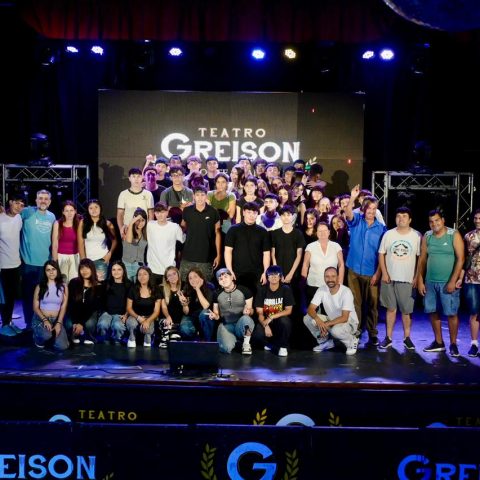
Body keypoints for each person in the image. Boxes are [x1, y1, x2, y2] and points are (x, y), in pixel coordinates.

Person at [417, 209, 464, 356]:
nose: (434, 224)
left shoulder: (453, 234)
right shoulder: (427, 236)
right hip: (430, 282)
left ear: (443, 220)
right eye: (431, 221)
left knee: (451, 313)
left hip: (447, 282)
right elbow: (422, 259)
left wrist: (453, 281)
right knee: (432, 311)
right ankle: (439, 342)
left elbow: (461, 259)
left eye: (437, 220)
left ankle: (453, 344)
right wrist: (420, 280)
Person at [345, 184, 386, 346]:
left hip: (372, 272)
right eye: (368, 208)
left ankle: (372, 334)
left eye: (374, 208)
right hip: (354, 270)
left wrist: (378, 273)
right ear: (363, 209)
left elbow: (382, 254)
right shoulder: (357, 221)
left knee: (373, 304)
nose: (371, 211)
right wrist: (352, 198)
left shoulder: (381, 229)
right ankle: (355, 332)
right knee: (355, 304)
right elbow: (348, 214)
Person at [378, 207, 421, 350]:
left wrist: (416, 277)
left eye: (404, 216)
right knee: (390, 309)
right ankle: (388, 338)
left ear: (410, 219)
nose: (401, 218)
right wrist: (384, 273)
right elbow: (381, 254)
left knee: (406, 311)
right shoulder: (388, 234)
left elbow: (420, 259)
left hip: (407, 279)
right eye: (398, 216)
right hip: (389, 278)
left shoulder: (416, 236)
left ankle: (407, 338)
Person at [20, 189, 56, 328]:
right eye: (40, 198)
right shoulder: (27, 212)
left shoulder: (52, 216)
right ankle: (29, 324)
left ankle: (41, 323)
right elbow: (12, 214)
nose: (43, 201)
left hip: (45, 264)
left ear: (50, 202)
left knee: (43, 296)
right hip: (28, 262)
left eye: (46, 199)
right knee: (28, 295)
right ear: (36, 200)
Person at [303, 266, 359, 355]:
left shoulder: (346, 292)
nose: (330, 279)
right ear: (324, 278)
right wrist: (319, 321)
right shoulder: (322, 289)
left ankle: (352, 341)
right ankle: (324, 342)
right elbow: (310, 309)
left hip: (349, 322)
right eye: (327, 276)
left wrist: (325, 324)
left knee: (335, 331)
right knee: (308, 318)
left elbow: (344, 318)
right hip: (333, 320)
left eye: (333, 276)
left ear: (338, 277)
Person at [224, 202, 271, 294]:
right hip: (237, 272)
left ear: (257, 214)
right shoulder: (233, 230)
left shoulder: (263, 232)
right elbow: (228, 251)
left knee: (257, 299)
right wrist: (229, 270)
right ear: (243, 212)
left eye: (254, 213)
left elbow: (266, 253)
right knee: (239, 298)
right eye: (249, 212)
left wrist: (265, 272)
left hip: (257, 273)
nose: (251, 215)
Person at [209, 268, 255, 355]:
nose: (223, 280)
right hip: (227, 325)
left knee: (246, 319)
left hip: (240, 323)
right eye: (221, 279)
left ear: (232, 277)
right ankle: (236, 341)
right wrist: (214, 316)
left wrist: (248, 311)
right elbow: (216, 314)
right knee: (226, 348)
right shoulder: (216, 294)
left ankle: (246, 343)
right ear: (219, 283)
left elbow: (251, 311)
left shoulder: (244, 290)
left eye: (226, 277)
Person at [180, 186, 221, 282]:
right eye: (197, 195)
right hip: (188, 256)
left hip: (206, 257)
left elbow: (218, 234)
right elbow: (181, 228)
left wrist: (218, 255)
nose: (200, 197)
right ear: (193, 196)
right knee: (185, 284)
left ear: (206, 196)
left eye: (202, 195)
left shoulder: (213, 212)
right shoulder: (187, 211)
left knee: (205, 285)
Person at [252, 265, 294, 357]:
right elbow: (260, 313)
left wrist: (271, 317)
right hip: (266, 321)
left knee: (285, 321)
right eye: (271, 275)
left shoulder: (285, 289)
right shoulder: (262, 290)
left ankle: (283, 346)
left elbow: (288, 310)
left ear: (280, 277)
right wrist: (266, 325)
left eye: (276, 274)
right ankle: (269, 343)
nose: (274, 277)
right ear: (267, 277)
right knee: (257, 333)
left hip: (279, 321)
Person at [301, 222, 345, 306]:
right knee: (313, 312)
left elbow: (341, 265)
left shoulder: (336, 246)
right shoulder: (310, 246)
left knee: (329, 311)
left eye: (325, 231)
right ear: (316, 233)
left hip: (331, 285)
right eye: (320, 231)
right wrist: (303, 283)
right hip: (313, 285)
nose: (322, 233)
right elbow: (305, 266)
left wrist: (340, 283)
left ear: (329, 232)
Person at [32, 260, 69, 350]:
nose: (51, 272)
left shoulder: (64, 286)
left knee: (63, 346)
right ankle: (37, 338)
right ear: (45, 272)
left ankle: (51, 336)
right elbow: (35, 307)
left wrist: (59, 323)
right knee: (46, 335)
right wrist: (45, 320)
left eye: (53, 269)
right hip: (41, 319)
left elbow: (64, 306)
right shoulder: (40, 286)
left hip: (56, 319)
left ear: (57, 270)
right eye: (48, 270)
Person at [78, 199, 117, 282]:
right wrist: (83, 261)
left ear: (100, 208)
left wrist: (109, 254)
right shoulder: (83, 223)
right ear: (88, 210)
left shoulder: (107, 223)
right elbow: (80, 244)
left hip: (101, 259)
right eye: (91, 208)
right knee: (87, 284)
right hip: (87, 260)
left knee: (100, 285)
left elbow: (115, 240)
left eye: (96, 207)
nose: (94, 210)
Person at [146, 201, 185, 285]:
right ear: (154, 213)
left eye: (162, 212)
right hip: (153, 269)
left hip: (169, 269)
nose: (160, 215)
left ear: (167, 212)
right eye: (157, 212)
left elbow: (183, 241)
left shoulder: (174, 227)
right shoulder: (150, 225)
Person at [0, 195, 24, 329]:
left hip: (16, 264)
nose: (19, 207)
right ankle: (5, 323)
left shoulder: (19, 218)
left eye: (21, 205)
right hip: (2, 265)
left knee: (11, 296)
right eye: (16, 203)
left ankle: (8, 322)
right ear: (10, 202)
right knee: (3, 297)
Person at [67, 259, 103, 344]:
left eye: (87, 268)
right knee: (69, 324)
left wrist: (81, 323)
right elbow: (70, 303)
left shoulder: (98, 286)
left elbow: (92, 307)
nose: (84, 271)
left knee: (89, 323)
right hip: (75, 312)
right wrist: (75, 322)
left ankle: (89, 335)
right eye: (82, 268)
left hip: (89, 314)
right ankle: (75, 334)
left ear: (92, 269)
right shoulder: (73, 282)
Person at [126, 266, 161, 348]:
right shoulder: (133, 289)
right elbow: (129, 308)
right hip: (135, 315)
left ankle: (147, 340)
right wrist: (139, 318)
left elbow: (156, 311)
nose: (142, 276)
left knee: (148, 329)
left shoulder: (156, 290)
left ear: (149, 276)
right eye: (140, 274)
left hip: (150, 316)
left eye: (145, 274)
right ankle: (131, 338)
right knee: (131, 324)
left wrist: (147, 321)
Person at [97, 261, 131, 344]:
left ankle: (117, 338)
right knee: (102, 324)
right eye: (114, 270)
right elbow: (98, 298)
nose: (116, 272)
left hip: (121, 314)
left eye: (119, 269)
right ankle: (105, 338)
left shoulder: (129, 285)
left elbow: (131, 302)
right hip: (107, 312)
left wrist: (126, 315)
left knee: (117, 326)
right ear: (111, 271)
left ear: (123, 271)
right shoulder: (106, 283)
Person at [117, 167, 154, 240]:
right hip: (128, 230)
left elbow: (151, 214)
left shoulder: (148, 194)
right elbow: (120, 214)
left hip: (143, 231)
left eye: (138, 176)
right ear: (129, 178)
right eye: (133, 176)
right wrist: (121, 229)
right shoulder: (123, 194)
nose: (136, 179)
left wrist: (148, 230)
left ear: (142, 178)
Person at [179, 268, 215, 340]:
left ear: (201, 278)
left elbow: (205, 306)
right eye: (190, 278)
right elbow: (186, 313)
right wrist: (185, 305)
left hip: (205, 318)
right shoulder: (187, 290)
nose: (193, 280)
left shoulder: (208, 287)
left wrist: (197, 288)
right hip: (192, 317)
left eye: (195, 276)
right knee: (185, 329)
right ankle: (196, 337)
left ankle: (207, 341)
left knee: (204, 313)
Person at [463, 209, 480, 356]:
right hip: (472, 278)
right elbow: (464, 258)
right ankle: (474, 344)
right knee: (474, 311)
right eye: (475, 218)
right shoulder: (468, 236)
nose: (477, 221)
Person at [51, 200, 81, 283]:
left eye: (71, 210)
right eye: (66, 211)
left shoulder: (79, 224)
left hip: (75, 257)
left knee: (74, 282)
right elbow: (54, 245)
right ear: (63, 212)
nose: (69, 213)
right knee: (62, 282)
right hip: (61, 256)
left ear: (75, 211)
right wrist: (55, 262)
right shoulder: (57, 223)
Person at [158, 266, 184, 348]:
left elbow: (186, 309)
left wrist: (184, 302)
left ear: (178, 274)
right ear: (166, 279)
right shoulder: (161, 288)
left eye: (174, 274)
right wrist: (168, 317)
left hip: (178, 321)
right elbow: (164, 307)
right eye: (169, 275)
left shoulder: (184, 287)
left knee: (175, 343)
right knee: (165, 344)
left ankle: (171, 335)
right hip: (165, 319)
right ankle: (165, 337)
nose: (172, 277)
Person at [123, 208, 148, 282]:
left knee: (138, 287)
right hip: (127, 265)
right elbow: (129, 240)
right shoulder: (127, 229)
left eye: (143, 220)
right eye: (138, 220)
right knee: (127, 287)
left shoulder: (146, 233)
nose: (140, 223)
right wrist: (131, 223)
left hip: (139, 265)